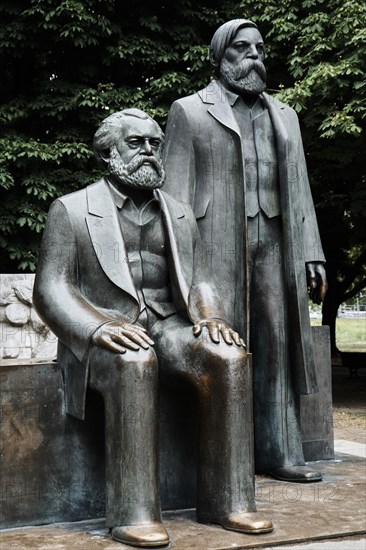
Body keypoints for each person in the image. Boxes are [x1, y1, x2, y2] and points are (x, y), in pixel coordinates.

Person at [33, 108, 273, 548]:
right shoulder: (70, 209)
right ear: (108, 153)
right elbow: (51, 290)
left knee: (229, 356)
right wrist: (96, 327)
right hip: (105, 336)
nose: (148, 152)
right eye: (136, 143)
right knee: (134, 358)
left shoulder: (179, 214)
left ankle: (230, 501)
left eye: (154, 143)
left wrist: (212, 317)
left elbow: (200, 280)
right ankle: (134, 513)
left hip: (168, 326)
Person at [163, 19, 328, 482]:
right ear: (219, 58)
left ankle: (279, 452)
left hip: (277, 241)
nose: (255, 55)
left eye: (259, 47)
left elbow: (299, 189)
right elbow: (173, 195)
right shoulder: (189, 111)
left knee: (276, 341)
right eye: (242, 47)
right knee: (223, 342)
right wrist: (177, 261)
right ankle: (223, 457)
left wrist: (312, 251)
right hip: (215, 241)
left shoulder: (286, 116)